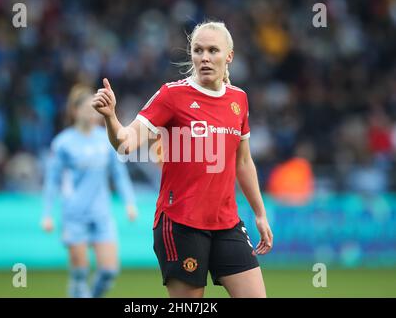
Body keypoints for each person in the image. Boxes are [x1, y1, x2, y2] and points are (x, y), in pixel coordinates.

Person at [92, 21, 273, 298]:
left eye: (213, 50)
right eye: (198, 50)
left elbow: (243, 162)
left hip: (227, 223)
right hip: (181, 223)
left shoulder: (239, 99)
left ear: (229, 56)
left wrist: (259, 213)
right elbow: (126, 144)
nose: (205, 57)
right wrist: (111, 118)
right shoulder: (172, 95)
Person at [41, 84, 138, 298]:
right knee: (80, 272)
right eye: (85, 108)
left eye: (94, 108)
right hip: (74, 215)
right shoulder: (63, 143)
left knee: (109, 271)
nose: (91, 112)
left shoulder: (106, 139)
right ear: (74, 111)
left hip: (101, 214)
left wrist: (129, 203)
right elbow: (52, 181)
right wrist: (47, 214)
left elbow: (119, 174)